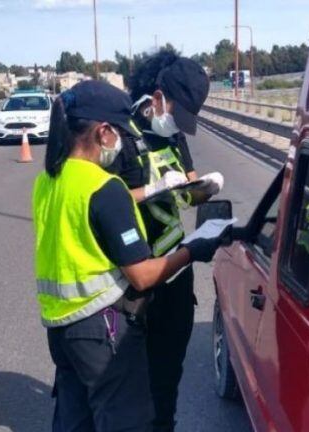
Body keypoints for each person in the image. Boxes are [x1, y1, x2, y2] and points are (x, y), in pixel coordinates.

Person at [32, 80, 223, 432]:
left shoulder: (49, 179)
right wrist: (193, 249)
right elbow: (142, 276)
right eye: (118, 131)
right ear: (103, 132)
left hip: (60, 325)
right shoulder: (105, 188)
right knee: (125, 420)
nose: (122, 139)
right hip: (102, 327)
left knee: (75, 420)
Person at [105, 52, 223, 432]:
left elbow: (186, 189)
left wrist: (204, 188)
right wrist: (152, 188)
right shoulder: (119, 136)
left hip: (174, 275)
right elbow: (104, 200)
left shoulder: (172, 135)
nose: (179, 126)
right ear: (157, 98)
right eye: (177, 113)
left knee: (167, 382)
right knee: (133, 385)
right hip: (133, 283)